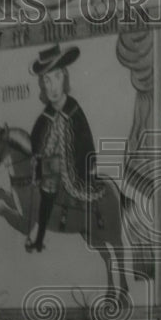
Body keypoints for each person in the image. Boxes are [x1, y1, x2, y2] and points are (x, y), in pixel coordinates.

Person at [25, 43, 98, 253]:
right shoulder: (43, 119)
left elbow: (86, 141)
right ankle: (39, 239)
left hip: (73, 167)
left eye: (56, 77)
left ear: (64, 77)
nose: (53, 86)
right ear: (42, 85)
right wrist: (36, 161)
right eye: (47, 80)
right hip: (51, 171)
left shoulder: (74, 110)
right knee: (46, 192)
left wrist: (87, 164)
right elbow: (35, 145)